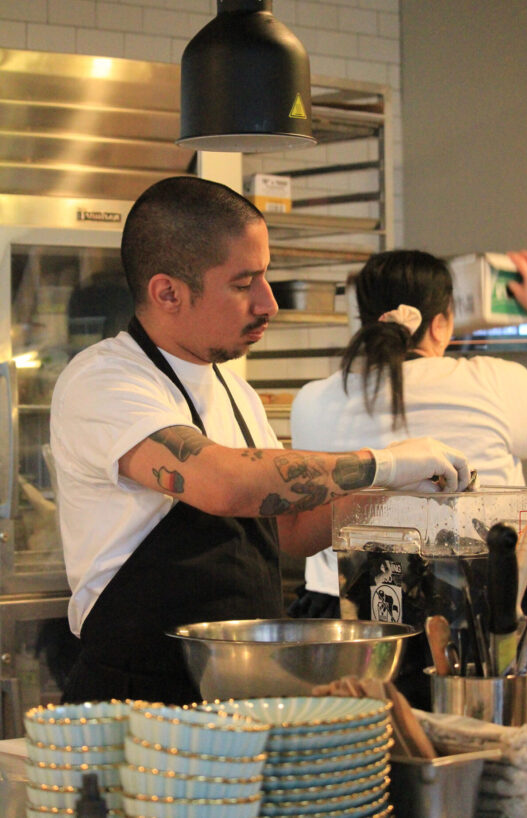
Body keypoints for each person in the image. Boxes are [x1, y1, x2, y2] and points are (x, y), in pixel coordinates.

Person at [49, 179, 472, 706]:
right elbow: (225, 483)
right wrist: (382, 463)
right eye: (244, 282)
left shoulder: (237, 393)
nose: (268, 301)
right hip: (138, 700)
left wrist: (396, 495)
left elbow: (290, 529)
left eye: (265, 276)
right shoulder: (105, 380)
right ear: (167, 292)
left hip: (237, 690)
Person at [290, 248, 527, 618]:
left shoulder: (312, 400)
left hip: (347, 612)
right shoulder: (492, 382)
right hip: (479, 609)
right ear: (439, 324)